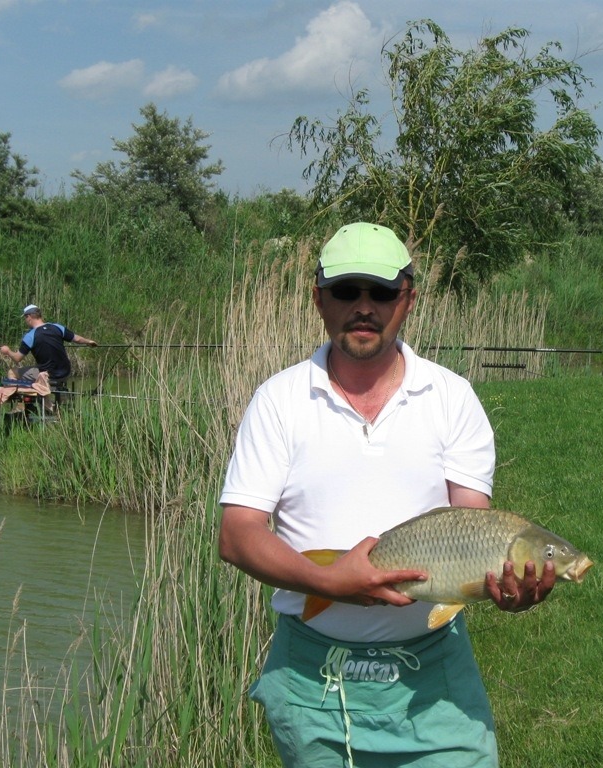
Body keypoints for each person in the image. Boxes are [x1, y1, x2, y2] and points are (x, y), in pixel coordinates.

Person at [217, 222, 557, 768]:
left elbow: (473, 528)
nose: (364, 307)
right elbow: (237, 535)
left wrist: (505, 587)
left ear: (410, 299)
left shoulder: (452, 397)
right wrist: (329, 582)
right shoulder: (278, 401)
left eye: (382, 292)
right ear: (319, 299)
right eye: (347, 291)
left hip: (434, 683)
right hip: (313, 683)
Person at [0, 303, 97, 384]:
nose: (25, 321)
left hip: (47, 375)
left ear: (29, 317)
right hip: (65, 373)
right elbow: (77, 339)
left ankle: (20, 405)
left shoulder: (30, 336)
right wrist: (88, 341)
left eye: (25, 318)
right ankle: (59, 402)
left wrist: (7, 351)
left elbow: (17, 358)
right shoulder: (58, 327)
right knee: (38, 367)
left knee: (12, 373)